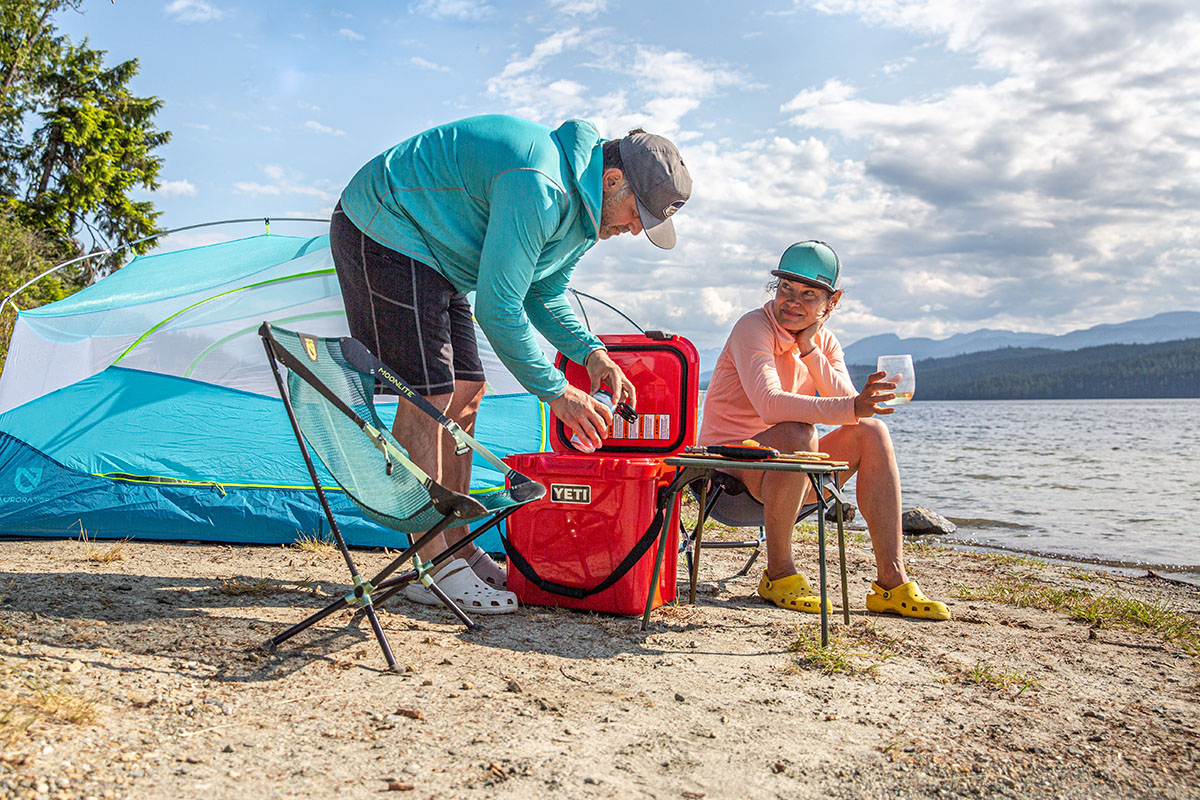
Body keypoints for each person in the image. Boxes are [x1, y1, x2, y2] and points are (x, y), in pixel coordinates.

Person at [330, 114, 692, 614]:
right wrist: (558, 392)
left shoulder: (586, 217)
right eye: (638, 215)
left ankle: (453, 543)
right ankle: (430, 562)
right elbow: (499, 308)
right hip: (386, 222)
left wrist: (593, 354)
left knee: (466, 391)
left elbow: (543, 294)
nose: (635, 230)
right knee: (429, 393)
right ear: (613, 180)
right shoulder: (540, 187)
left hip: (441, 257)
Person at [698, 240, 949, 620]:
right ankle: (779, 574)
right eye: (786, 288)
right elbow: (770, 402)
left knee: (873, 432)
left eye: (809, 294)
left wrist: (809, 348)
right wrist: (851, 406)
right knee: (798, 432)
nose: (792, 301)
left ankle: (891, 584)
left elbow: (852, 410)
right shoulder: (753, 327)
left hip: (789, 481)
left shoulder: (823, 342)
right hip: (726, 478)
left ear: (832, 302)